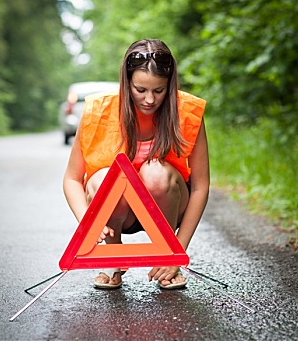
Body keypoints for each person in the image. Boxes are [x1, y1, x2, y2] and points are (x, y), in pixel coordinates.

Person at [63, 39, 210, 289]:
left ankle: (165, 257)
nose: (150, 100)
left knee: (155, 172)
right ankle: (113, 259)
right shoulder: (98, 111)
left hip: (167, 206)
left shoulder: (186, 111)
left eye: (159, 91)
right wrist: (87, 224)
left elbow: (200, 187)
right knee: (103, 178)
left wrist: (177, 253)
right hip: (119, 213)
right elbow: (72, 179)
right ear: (126, 82)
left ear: (170, 85)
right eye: (140, 90)